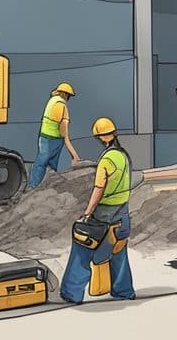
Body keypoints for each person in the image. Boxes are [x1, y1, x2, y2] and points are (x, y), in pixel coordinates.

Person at [59, 117, 135, 304]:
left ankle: (72, 292)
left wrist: (87, 213)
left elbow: (99, 189)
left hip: (103, 214)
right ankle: (124, 290)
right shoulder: (124, 156)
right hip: (123, 213)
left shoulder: (106, 159)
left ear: (100, 138)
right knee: (118, 250)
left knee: (82, 250)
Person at [29, 82, 81, 188]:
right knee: (49, 165)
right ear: (66, 94)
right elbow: (64, 134)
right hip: (53, 140)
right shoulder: (61, 106)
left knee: (41, 162)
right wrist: (74, 155)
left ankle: (34, 186)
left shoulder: (52, 100)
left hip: (44, 137)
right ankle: (40, 187)